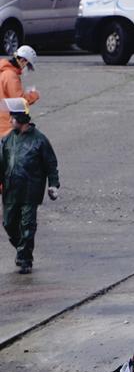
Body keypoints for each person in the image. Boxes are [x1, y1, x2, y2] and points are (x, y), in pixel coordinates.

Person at [0, 98, 59, 275]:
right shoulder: (7, 140)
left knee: (27, 224)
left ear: (21, 119)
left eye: (12, 118)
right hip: (11, 190)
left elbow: (51, 164)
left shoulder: (40, 140)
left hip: (30, 191)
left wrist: (53, 184)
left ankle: (25, 259)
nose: (10, 121)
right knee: (9, 223)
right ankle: (22, 248)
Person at [0, 45, 39, 137]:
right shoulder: (11, 76)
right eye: (28, 65)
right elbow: (20, 102)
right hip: (5, 125)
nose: (27, 69)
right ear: (22, 61)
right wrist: (34, 95)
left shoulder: (3, 71)